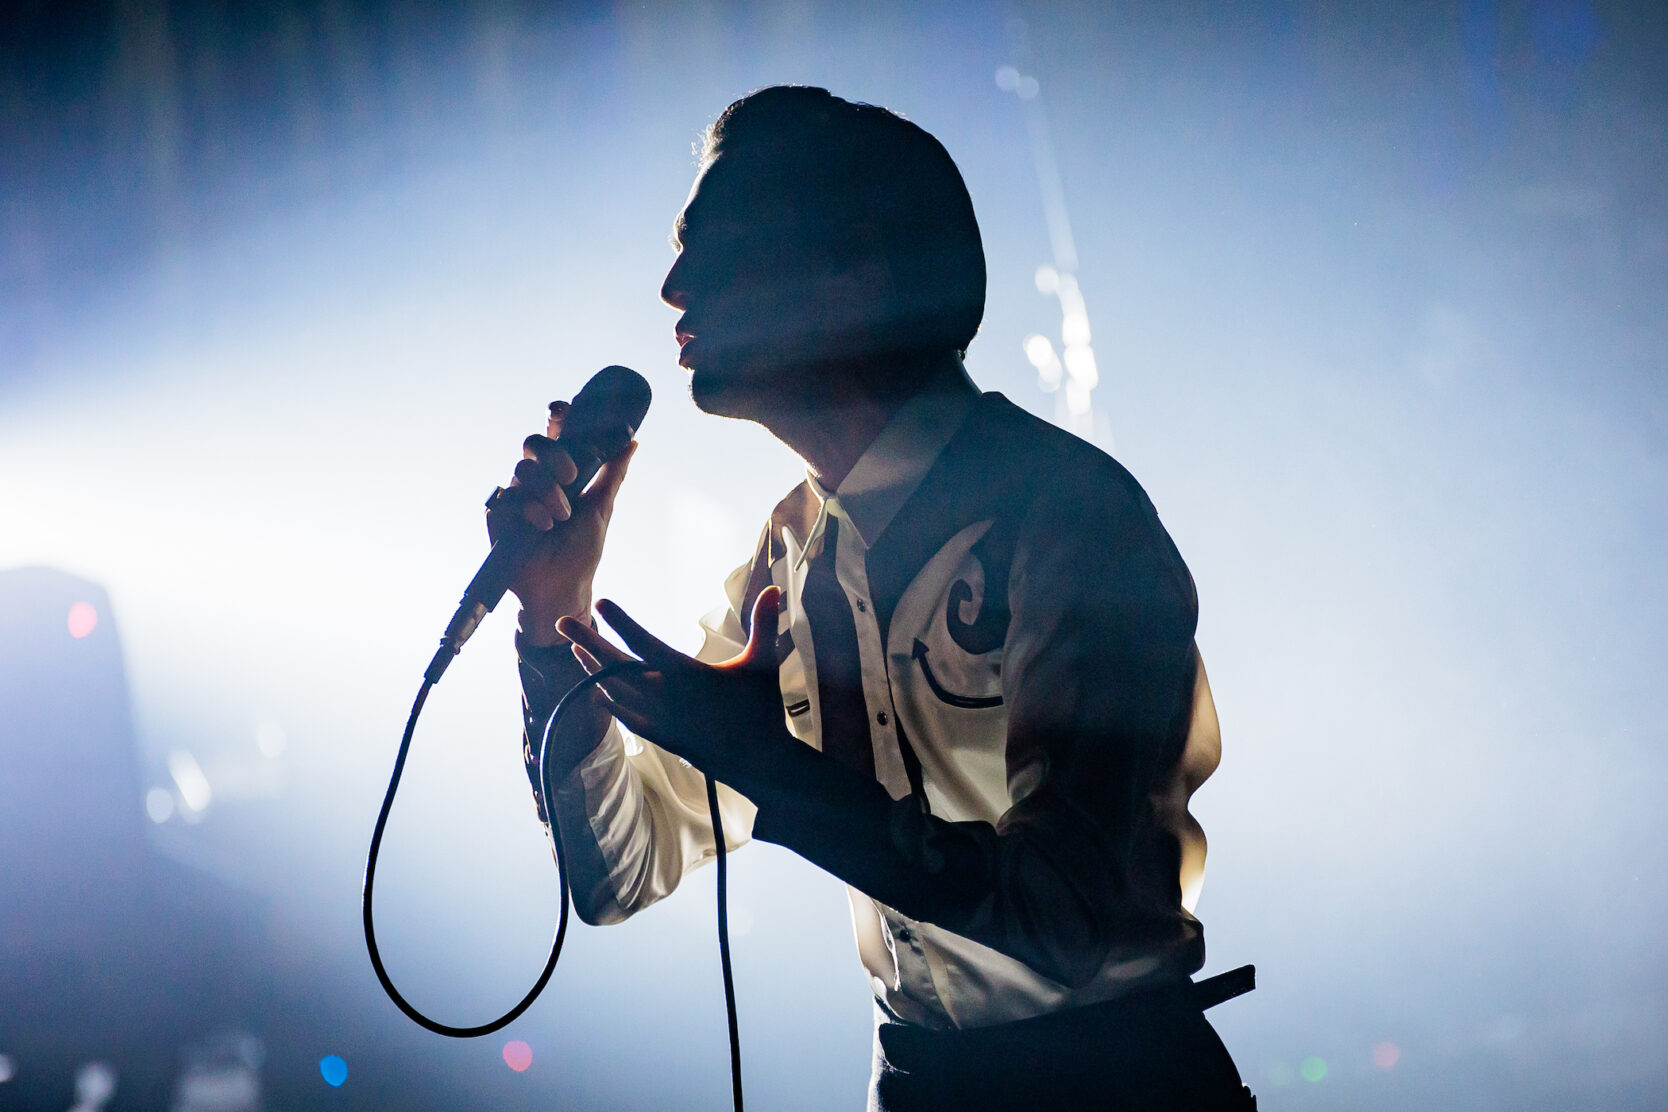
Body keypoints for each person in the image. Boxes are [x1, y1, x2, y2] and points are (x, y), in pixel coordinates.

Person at [490, 86, 1252, 1111]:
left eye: (713, 242)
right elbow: (617, 873)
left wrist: (772, 767)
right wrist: (552, 618)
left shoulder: (1070, 518)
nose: (672, 286)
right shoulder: (786, 557)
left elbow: (1073, 916)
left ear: (853, 266)